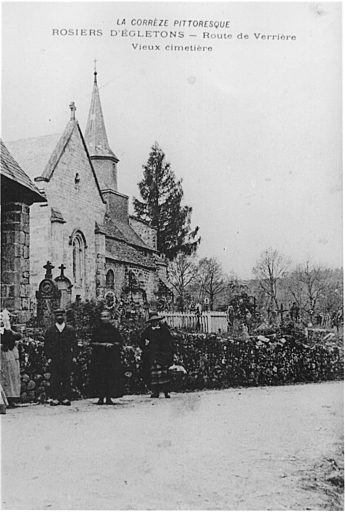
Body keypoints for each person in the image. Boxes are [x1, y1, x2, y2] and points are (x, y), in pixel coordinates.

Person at [89, 310, 124, 405]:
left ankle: (109, 397)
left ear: (110, 318)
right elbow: (92, 342)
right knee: (100, 377)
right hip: (99, 357)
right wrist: (102, 344)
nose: (104, 318)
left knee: (110, 376)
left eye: (106, 316)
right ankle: (100, 397)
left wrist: (112, 344)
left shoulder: (114, 330)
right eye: (103, 316)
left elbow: (119, 342)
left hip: (111, 358)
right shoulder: (97, 330)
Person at [44, 308, 77, 406]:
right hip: (55, 358)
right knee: (55, 377)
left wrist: (74, 356)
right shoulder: (50, 330)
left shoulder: (70, 330)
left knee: (66, 376)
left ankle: (66, 397)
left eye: (61, 315)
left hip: (67, 357)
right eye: (57, 315)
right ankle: (56, 397)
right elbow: (47, 345)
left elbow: (74, 344)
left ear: (64, 317)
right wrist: (48, 357)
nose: (59, 317)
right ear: (55, 317)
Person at [139, 312, 174, 398]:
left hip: (163, 355)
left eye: (157, 321)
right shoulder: (147, 331)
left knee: (164, 374)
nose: (155, 323)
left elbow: (169, 342)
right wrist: (145, 346)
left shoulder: (164, 330)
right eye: (153, 321)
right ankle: (155, 391)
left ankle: (166, 391)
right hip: (152, 355)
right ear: (151, 322)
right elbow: (141, 341)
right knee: (154, 374)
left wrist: (168, 352)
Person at [0, 310, 21, 408]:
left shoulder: (9, 330)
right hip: (2, 356)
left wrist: (9, 330)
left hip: (10, 355)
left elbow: (18, 336)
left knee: (11, 376)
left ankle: (11, 398)